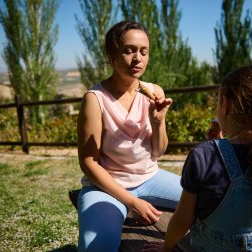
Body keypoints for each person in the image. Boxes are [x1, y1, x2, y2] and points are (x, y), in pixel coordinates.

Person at [144, 65, 252, 252]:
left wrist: (167, 248)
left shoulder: (203, 155)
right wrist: (221, 144)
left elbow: (182, 222)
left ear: (226, 104)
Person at [76, 21, 182, 252]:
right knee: (97, 246)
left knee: (209, 201)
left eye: (144, 52)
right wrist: (132, 202)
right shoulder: (95, 99)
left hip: (150, 177)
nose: (138, 59)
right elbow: (88, 163)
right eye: (129, 50)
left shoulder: (154, 92)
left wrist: (158, 121)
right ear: (111, 54)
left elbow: (158, 152)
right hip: (105, 186)